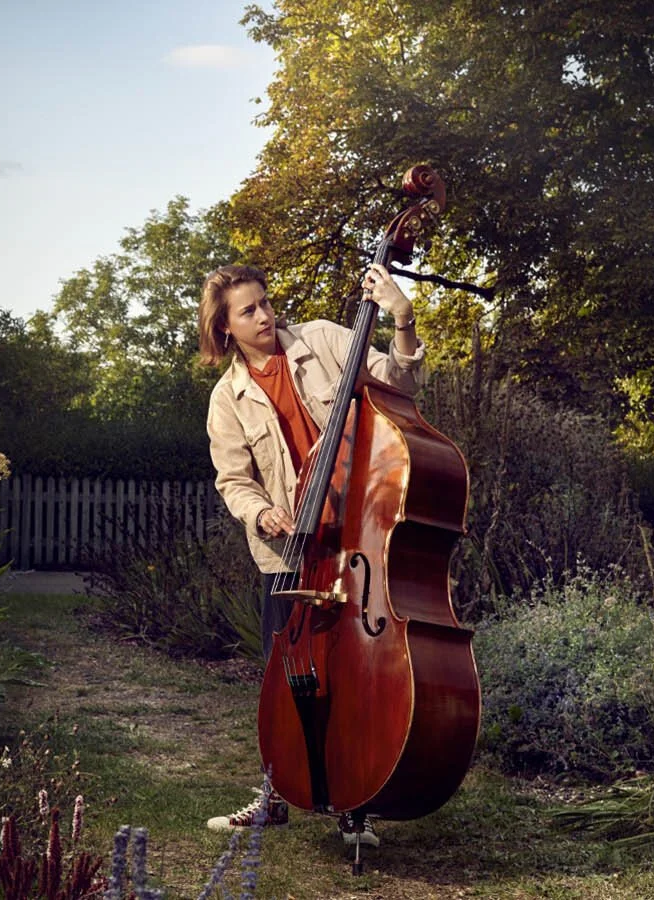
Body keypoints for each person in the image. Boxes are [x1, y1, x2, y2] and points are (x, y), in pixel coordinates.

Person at [197, 262, 424, 847]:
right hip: (290, 548)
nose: (265, 316)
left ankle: (357, 804)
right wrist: (261, 512)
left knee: (358, 675)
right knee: (291, 676)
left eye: (266, 302)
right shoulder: (228, 398)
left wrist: (401, 317)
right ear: (225, 329)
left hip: (357, 539)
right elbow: (233, 480)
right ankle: (275, 794)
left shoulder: (322, 339)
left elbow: (400, 386)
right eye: (248, 311)